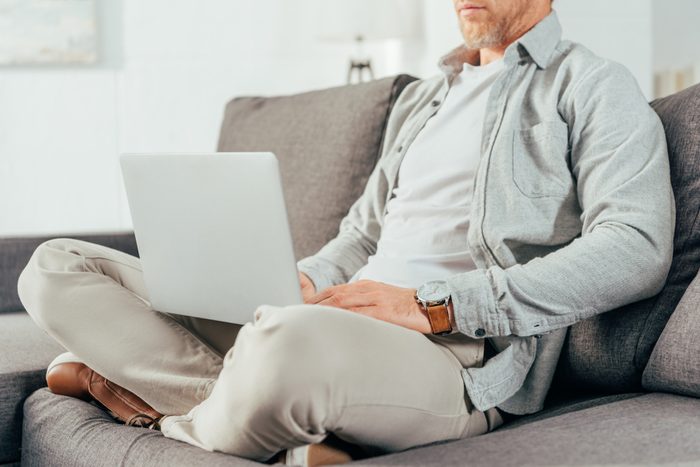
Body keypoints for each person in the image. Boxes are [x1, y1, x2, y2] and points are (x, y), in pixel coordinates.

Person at [18, 0, 674, 464]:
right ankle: (256, 402)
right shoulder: (427, 99)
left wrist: (434, 304)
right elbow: (360, 237)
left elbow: (636, 247)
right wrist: (305, 278)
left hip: (454, 356)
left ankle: (152, 406)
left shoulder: (589, 85)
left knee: (283, 342)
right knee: (56, 268)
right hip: (332, 321)